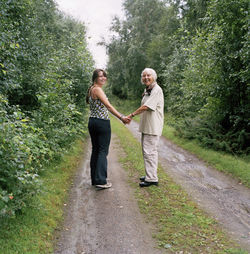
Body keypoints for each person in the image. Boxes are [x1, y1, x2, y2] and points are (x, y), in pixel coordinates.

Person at [86, 69, 130, 189]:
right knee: (102, 151)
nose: (103, 78)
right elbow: (109, 106)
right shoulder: (97, 89)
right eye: (100, 76)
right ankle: (101, 180)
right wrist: (121, 117)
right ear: (95, 78)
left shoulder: (91, 89)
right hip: (101, 123)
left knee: (96, 150)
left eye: (104, 76)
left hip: (93, 122)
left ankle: (95, 179)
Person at [127, 68, 164, 187]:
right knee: (147, 151)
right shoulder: (148, 89)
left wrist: (132, 115)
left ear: (154, 77)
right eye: (144, 76)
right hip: (147, 126)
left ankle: (152, 178)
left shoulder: (156, 90)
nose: (146, 78)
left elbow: (146, 106)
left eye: (148, 75)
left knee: (150, 152)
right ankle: (150, 174)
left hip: (153, 127)